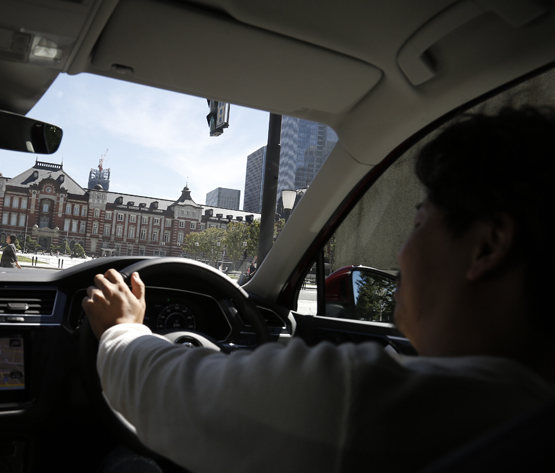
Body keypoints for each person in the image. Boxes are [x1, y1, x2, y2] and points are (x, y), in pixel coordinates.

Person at [82, 107, 555, 473]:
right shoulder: (525, 409)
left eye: (418, 220)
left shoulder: (364, 401)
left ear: (488, 245)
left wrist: (122, 330)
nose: (400, 255)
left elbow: (165, 393)